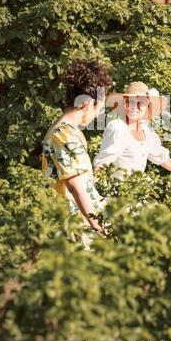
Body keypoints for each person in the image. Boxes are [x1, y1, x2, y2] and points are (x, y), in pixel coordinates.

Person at [41, 59, 112, 246]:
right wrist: (100, 229)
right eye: (99, 108)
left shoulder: (66, 130)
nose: (98, 115)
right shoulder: (64, 133)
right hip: (74, 225)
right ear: (87, 104)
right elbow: (76, 187)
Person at [93, 81, 171, 183]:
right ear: (125, 104)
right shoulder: (117, 127)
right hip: (117, 198)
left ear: (147, 105)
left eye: (140, 103)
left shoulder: (147, 131)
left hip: (138, 194)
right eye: (130, 102)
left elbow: (165, 160)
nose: (134, 107)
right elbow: (101, 165)